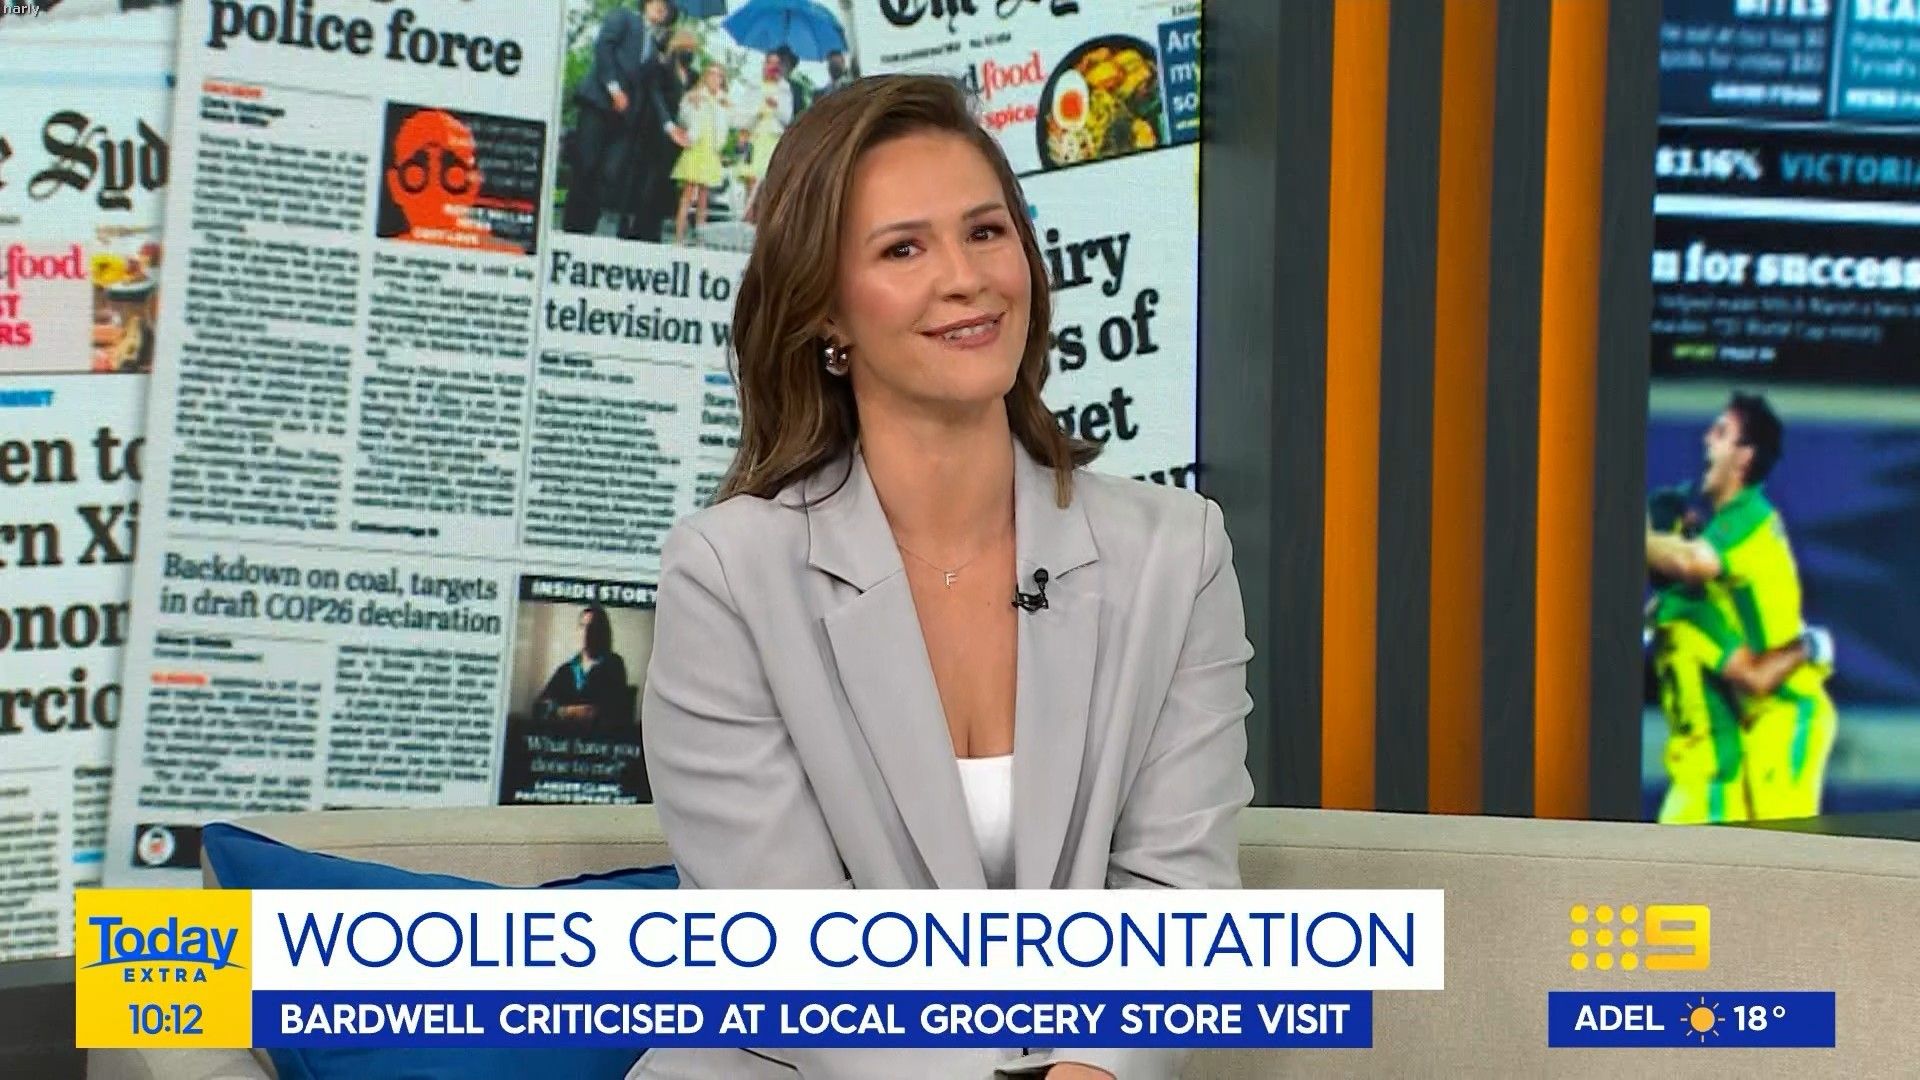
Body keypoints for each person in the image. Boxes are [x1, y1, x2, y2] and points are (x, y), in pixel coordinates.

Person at [630, 75, 1253, 1080]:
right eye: (903, 249)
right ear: (826, 313)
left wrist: (1092, 1069)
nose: (966, 278)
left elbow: (1178, 897)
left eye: (986, 232)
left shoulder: (1177, 555)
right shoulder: (728, 576)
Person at [1647, 393, 1837, 819]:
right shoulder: (1712, 553)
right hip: (1759, 716)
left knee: (1782, 852)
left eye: (1721, 432)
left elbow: (1691, 562)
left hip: (1787, 707)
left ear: (1744, 456)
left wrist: (1625, 535)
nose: (1705, 439)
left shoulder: (1747, 516)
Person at [562, 0, 680, 236]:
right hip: (598, 104)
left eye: (667, 8)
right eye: (658, 2)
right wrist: (614, 89)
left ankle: (587, 229)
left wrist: (669, 125)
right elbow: (604, 47)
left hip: (626, 118)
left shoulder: (654, 47)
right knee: (586, 165)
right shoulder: (624, 17)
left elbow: (653, 90)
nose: (662, 8)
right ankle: (571, 229)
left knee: (610, 174)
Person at [533, 604, 634, 742]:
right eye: (582, 626)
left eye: (592, 628)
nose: (586, 632)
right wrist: (565, 712)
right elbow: (539, 707)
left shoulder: (614, 665)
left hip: (599, 744)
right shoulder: (566, 669)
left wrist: (567, 712)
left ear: (602, 632)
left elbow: (613, 712)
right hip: (564, 743)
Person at [670, 63, 731, 244]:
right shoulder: (695, 95)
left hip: (711, 149)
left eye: (718, 76)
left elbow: (729, 123)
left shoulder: (723, 101)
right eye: (711, 74)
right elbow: (682, 118)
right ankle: (678, 238)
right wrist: (690, 103)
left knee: (704, 196)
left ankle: (700, 239)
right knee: (688, 193)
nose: (714, 79)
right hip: (696, 146)